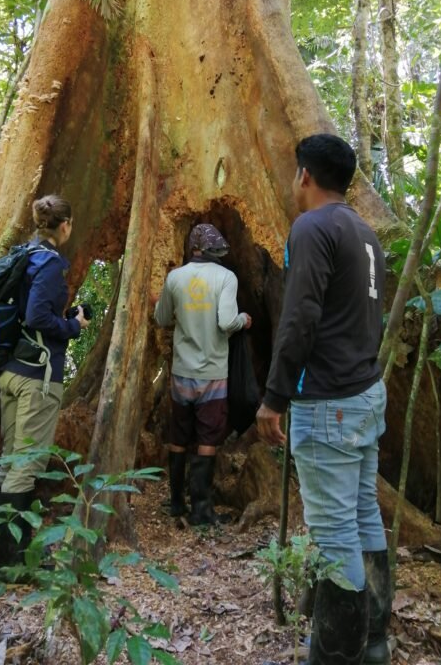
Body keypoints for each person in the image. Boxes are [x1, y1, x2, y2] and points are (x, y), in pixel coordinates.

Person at [256, 134, 391, 665]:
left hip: (330, 403)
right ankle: (373, 642)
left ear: (304, 176)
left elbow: (301, 316)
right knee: (362, 518)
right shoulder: (364, 232)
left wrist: (274, 396)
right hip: (364, 394)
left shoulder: (312, 227)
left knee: (335, 534)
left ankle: (336, 658)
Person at [0, 195, 90, 564]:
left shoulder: (24, 254)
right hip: (37, 379)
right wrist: (73, 325)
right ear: (64, 225)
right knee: (27, 464)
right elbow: (36, 317)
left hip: (12, 372)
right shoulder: (48, 264)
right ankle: (12, 558)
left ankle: (3, 548)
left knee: (8, 460)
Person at [154, 224, 252, 525]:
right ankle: (201, 509)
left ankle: (175, 503)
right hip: (212, 373)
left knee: (180, 435)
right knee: (209, 436)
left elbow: (160, 318)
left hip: (182, 372)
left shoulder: (175, 277)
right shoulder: (226, 278)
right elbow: (226, 322)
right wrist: (243, 320)